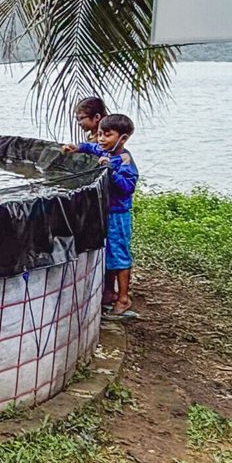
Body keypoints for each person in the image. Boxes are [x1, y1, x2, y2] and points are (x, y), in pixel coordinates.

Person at [65, 113, 138, 319]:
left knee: (119, 255)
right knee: (108, 254)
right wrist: (77, 147)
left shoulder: (124, 161)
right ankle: (108, 292)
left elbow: (128, 187)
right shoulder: (103, 150)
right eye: (100, 134)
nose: (101, 139)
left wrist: (111, 171)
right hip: (105, 212)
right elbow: (91, 148)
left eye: (107, 135)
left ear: (123, 138)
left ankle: (123, 298)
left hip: (118, 215)